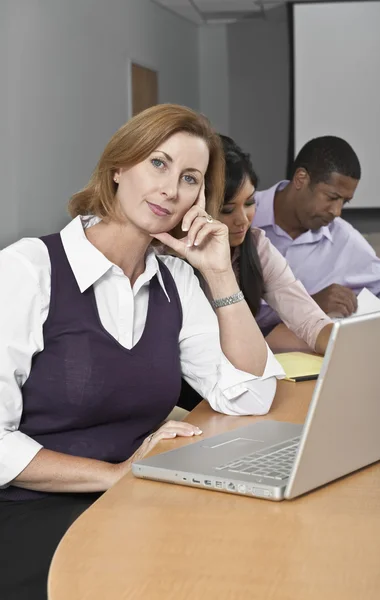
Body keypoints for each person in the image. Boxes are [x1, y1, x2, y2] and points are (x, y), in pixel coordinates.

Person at [0, 104, 285, 600]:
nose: (171, 189)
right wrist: (116, 475)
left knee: (252, 564)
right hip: (32, 514)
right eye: (158, 163)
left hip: (138, 501)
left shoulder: (174, 281)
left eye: (190, 178)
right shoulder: (29, 269)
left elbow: (250, 395)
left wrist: (219, 273)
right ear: (118, 166)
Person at [253, 135, 380, 329]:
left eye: (344, 202)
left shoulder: (342, 237)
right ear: (301, 179)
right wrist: (309, 304)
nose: (336, 212)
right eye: (332, 197)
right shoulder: (240, 216)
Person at [216, 135, 333, 355]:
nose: (243, 220)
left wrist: (345, 347)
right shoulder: (171, 257)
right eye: (228, 210)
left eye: (250, 203)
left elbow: (308, 318)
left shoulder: (257, 246)